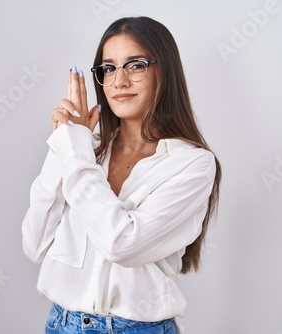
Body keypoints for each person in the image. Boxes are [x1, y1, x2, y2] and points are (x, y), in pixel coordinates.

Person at [22, 16, 221, 334]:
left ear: (163, 72)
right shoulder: (85, 150)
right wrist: (65, 148)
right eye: (109, 68)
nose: (119, 81)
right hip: (61, 324)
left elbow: (122, 245)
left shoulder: (192, 164)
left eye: (136, 65)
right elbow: (34, 244)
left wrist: (75, 152)